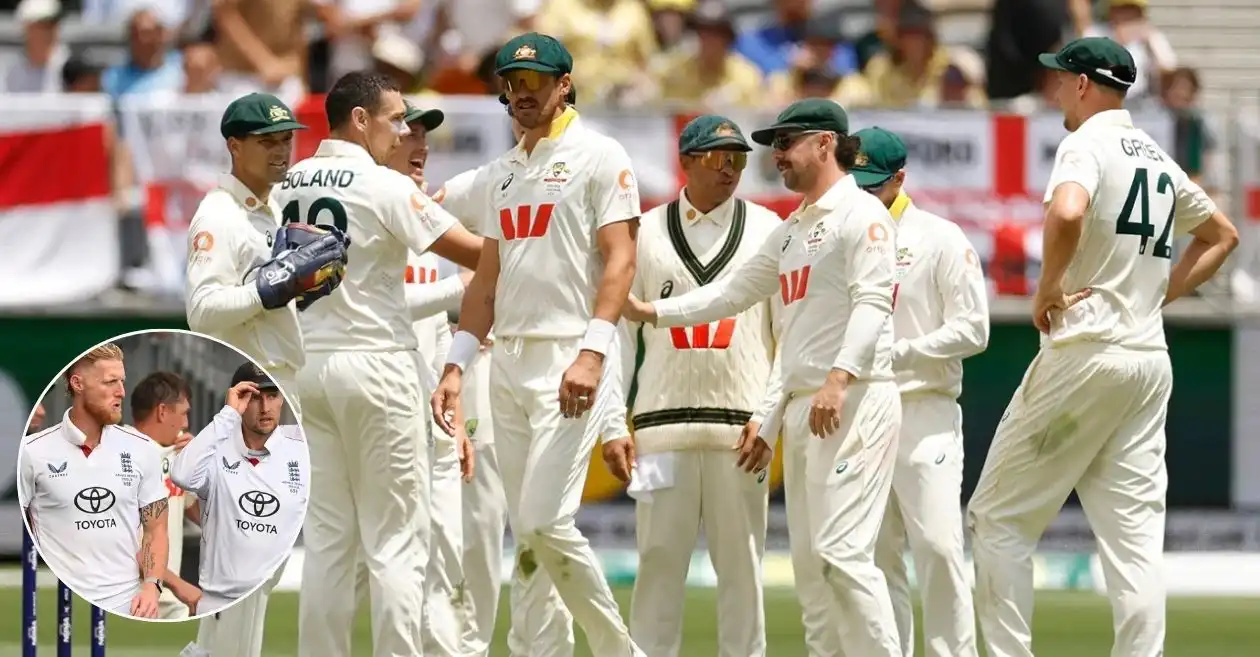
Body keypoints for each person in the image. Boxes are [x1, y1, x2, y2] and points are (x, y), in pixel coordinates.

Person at [968, 37, 1239, 657]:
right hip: (1146, 359)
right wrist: (1156, 294)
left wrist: (1048, 289)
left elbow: (1066, 212)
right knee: (1136, 543)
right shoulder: (1157, 157)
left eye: (1062, 80)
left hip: (1087, 352)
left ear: (1086, 84)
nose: (1056, 90)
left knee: (998, 521)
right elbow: (1222, 236)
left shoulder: (1084, 143)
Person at [623, 98, 904, 656]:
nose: (775, 156)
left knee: (844, 556)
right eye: (774, 146)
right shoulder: (795, 227)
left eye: (786, 143)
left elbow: (874, 301)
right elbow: (731, 293)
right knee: (811, 566)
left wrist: (839, 378)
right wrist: (654, 312)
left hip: (852, 400)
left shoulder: (862, 214)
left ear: (825, 144)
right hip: (805, 406)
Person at [431, 32, 645, 656]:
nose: (522, 93)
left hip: (568, 358)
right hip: (508, 365)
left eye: (534, 81)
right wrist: (455, 365)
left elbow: (621, 262)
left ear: (564, 84)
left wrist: (592, 351)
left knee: (543, 521)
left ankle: (618, 649)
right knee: (528, 535)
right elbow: (486, 282)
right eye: (512, 83)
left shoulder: (601, 156)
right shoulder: (502, 175)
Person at [280, 71, 482, 657]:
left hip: (310, 367)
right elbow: (473, 253)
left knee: (327, 545)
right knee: (397, 543)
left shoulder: (289, 181)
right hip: (378, 365)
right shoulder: (380, 184)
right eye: (395, 119)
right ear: (360, 119)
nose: (402, 132)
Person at [598, 115, 782, 657]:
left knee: (743, 572)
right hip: (660, 428)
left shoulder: (770, 231)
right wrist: (613, 421)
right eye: (718, 156)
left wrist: (769, 416)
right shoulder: (645, 231)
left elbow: (787, 335)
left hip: (741, 431)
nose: (730, 168)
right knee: (657, 567)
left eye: (738, 158)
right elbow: (618, 336)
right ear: (687, 160)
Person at [852, 127, 987, 657]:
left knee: (937, 544)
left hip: (922, 406)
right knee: (875, 552)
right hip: (861, 410)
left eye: (873, 185)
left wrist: (900, 352)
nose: (863, 195)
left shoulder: (940, 237)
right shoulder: (843, 236)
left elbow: (975, 329)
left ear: (900, 178)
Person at [185, 92, 349, 415]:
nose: (281, 150)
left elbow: (266, 297)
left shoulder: (271, 207)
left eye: (286, 138)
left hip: (280, 381)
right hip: (247, 388)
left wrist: (301, 290)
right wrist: (269, 287)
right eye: (267, 141)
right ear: (235, 146)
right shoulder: (218, 214)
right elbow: (201, 312)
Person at [390, 99, 477, 656]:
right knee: (392, 555)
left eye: (426, 136)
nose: (421, 146)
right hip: (385, 411)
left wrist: (459, 416)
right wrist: (460, 291)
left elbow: (442, 330)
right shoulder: (363, 211)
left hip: (434, 416)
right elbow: (377, 309)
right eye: (409, 133)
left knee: (448, 553)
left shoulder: (434, 218)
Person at [17, 343, 169, 618]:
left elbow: (156, 529)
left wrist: (152, 586)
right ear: (78, 383)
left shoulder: (142, 447)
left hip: (131, 603)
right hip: (59, 603)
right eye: (111, 382)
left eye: (122, 381)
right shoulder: (32, 451)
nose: (122, 392)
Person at [171, 363, 308, 656]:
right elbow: (181, 476)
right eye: (254, 396)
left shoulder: (300, 445)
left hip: (259, 585)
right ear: (238, 398)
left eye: (272, 396)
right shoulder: (216, 445)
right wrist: (227, 415)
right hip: (220, 590)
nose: (264, 406)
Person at [130, 371, 204, 620]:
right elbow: (126, 544)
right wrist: (178, 584)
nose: (186, 424)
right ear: (162, 412)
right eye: (183, 413)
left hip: (166, 595)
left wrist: (204, 470)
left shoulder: (174, 457)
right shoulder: (123, 459)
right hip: (133, 593)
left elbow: (208, 519)